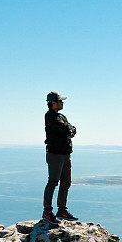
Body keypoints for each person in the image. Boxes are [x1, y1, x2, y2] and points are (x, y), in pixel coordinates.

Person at [43, 91, 79, 223]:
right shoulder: (50, 117)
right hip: (55, 154)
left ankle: (62, 210)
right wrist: (68, 130)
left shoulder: (62, 116)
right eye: (60, 101)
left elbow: (72, 129)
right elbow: (64, 129)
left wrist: (69, 130)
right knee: (53, 182)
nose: (62, 103)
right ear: (53, 103)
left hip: (65, 154)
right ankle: (47, 212)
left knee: (66, 182)